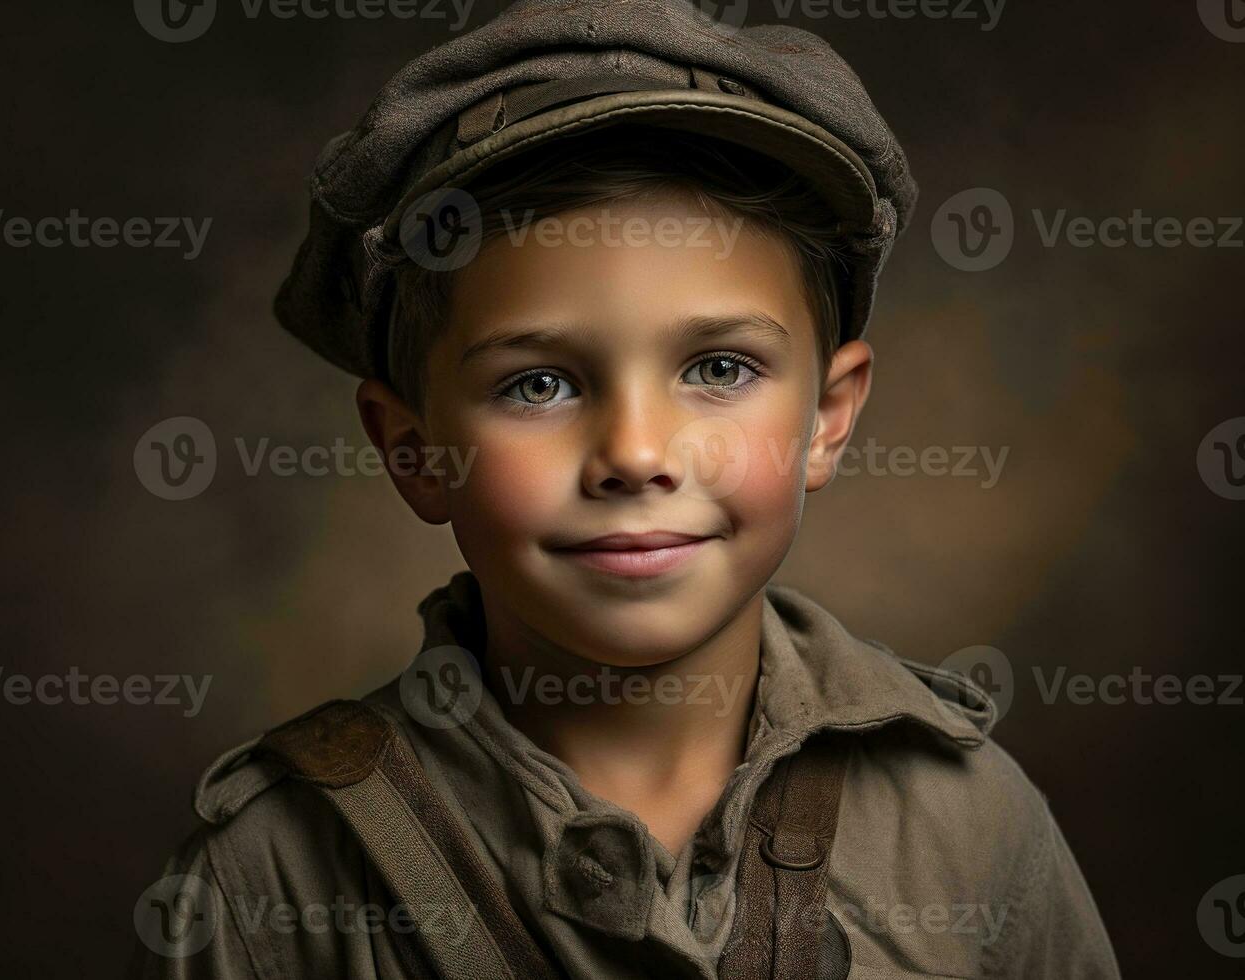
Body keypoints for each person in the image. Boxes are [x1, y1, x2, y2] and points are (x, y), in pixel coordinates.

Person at [133, 1, 1121, 976]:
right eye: (539, 383)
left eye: (721, 368)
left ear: (829, 413)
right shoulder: (273, 880)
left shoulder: (969, 821)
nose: (636, 452)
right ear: (414, 449)